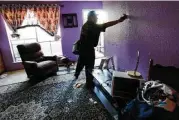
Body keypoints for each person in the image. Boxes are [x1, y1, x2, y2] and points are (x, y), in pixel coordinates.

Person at [74, 11, 128, 89]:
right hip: (88, 50)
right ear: (92, 17)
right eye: (96, 17)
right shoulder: (93, 26)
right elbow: (106, 25)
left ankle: (76, 75)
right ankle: (89, 84)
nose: (97, 18)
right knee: (89, 66)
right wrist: (118, 21)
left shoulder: (85, 25)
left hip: (82, 48)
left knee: (81, 62)